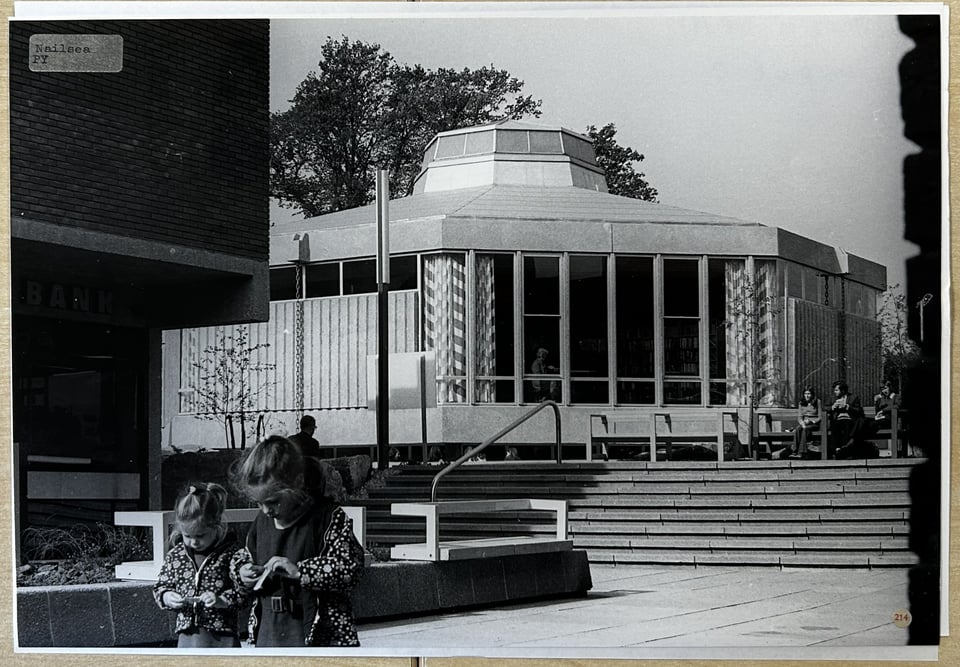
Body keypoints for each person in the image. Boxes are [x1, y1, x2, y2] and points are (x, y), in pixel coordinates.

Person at [230, 435, 365, 647]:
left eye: (273, 502)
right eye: (259, 503)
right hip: (270, 631)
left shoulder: (327, 518)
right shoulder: (262, 522)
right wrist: (242, 571)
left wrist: (300, 571)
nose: (266, 510)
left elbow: (351, 566)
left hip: (319, 632)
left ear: (298, 483)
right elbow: (245, 554)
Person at [153, 482, 246, 648]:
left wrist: (221, 600)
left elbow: (244, 592)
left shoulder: (231, 554)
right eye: (187, 535)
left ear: (216, 525)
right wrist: (167, 596)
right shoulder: (176, 555)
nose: (193, 542)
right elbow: (161, 586)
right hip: (188, 637)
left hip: (222, 637)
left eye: (200, 535)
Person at [829, 380, 874, 459]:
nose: (834, 392)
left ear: (842, 390)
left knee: (847, 425)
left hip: (850, 419)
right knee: (835, 426)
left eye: (836, 390)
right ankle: (836, 449)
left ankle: (844, 449)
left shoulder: (853, 397)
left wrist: (847, 407)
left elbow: (859, 410)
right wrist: (832, 407)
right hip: (837, 420)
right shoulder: (832, 398)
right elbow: (824, 407)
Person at [788, 386, 821, 459]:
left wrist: (812, 421)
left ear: (812, 394)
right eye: (805, 393)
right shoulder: (801, 403)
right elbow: (799, 417)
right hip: (804, 423)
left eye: (809, 393)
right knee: (798, 429)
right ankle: (794, 451)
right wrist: (802, 424)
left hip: (814, 424)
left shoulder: (817, 402)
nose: (807, 395)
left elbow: (820, 417)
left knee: (805, 430)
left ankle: (801, 452)